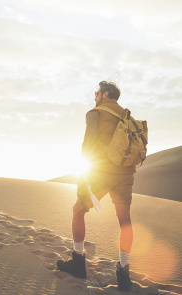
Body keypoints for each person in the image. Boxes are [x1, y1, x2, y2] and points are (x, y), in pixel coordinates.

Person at [57, 81, 135, 292]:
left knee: (77, 210)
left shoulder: (96, 113)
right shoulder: (127, 115)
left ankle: (78, 262)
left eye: (97, 92)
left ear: (105, 94)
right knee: (125, 221)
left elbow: (88, 145)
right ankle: (124, 272)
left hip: (102, 172)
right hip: (126, 173)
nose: (95, 96)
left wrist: (83, 177)